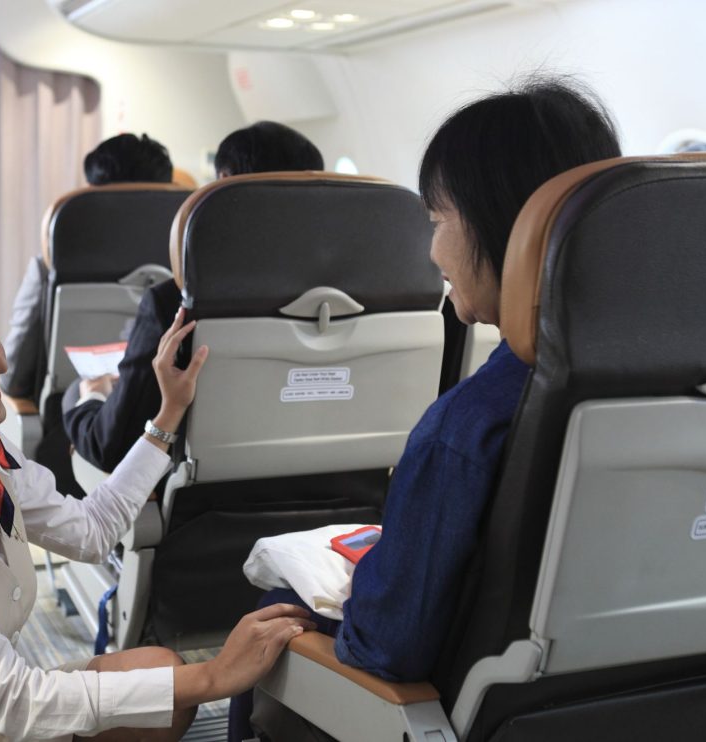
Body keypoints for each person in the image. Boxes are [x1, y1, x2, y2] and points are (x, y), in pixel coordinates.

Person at [230, 78, 621, 741]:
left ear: (503, 229)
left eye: (439, 221)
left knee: (273, 615)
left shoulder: (468, 428)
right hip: (642, 697)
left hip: (459, 712)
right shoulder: (663, 388)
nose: (432, 252)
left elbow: (389, 645)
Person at [0, 249, 315, 741]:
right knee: (180, 686)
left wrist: (167, 415)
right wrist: (216, 676)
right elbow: (11, 700)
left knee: (163, 682)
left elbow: (91, 531)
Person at [64, 121, 324, 472]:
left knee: (74, 396)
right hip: (342, 493)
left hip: (201, 505)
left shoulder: (175, 303)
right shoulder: (357, 299)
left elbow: (112, 447)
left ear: (222, 183)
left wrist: (90, 398)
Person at [1, 133, 174, 404]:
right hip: (175, 409)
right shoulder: (197, 268)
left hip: (72, 414)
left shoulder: (48, 268)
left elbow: (14, 377)